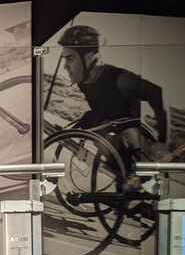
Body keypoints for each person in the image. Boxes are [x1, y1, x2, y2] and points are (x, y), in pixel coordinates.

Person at [57, 25, 168, 170]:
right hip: (112, 125)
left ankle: (134, 168)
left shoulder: (122, 80)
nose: (65, 66)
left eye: (70, 59)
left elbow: (155, 92)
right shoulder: (84, 79)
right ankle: (116, 165)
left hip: (133, 133)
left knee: (127, 133)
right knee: (90, 121)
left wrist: (162, 140)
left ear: (88, 57)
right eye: (64, 59)